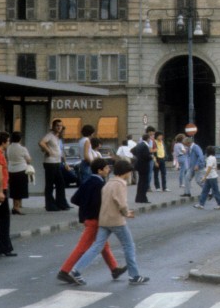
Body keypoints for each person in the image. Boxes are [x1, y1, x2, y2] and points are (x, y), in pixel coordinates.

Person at [70, 159, 149, 286]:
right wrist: (126, 213)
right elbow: (121, 203)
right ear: (126, 172)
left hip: (103, 220)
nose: (130, 174)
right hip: (116, 221)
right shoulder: (120, 184)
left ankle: (77, 270)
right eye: (129, 172)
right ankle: (134, 276)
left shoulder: (108, 183)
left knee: (96, 247)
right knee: (129, 245)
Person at [57, 157, 125, 285]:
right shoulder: (99, 184)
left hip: (88, 217)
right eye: (106, 168)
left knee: (103, 245)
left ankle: (114, 268)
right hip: (95, 219)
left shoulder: (88, 181)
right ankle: (64, 271)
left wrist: (85, 206)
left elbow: (74, 199)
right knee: (83, 247)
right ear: (100, 170)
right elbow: (101, 203)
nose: (108, 169)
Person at [39, 119, 70, 211]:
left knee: (60, 183)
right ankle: (50, 205)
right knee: (50, 184)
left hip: (57, 162)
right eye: (57, 126)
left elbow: (61, 151)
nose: (59, 127)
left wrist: (65, 163)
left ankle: (61, 203)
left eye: (60, 126)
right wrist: (49, 151)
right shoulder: (50, 135)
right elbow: (41, 142)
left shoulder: (58, 137)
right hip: (50, 163)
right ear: (53, 126)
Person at [5, 131, 32, 215]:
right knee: (20, 190)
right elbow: (28, 160)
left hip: (11, 170)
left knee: (14, 189)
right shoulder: (22, 148)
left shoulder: (8, 148)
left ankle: (14, 206)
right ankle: (17, 207)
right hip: (21, 170)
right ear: (20, 139)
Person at [195, 145, 220, 209]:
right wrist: (217, 176)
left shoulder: (210, 158)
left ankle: (219, 204)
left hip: (211, 177)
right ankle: (201, 204)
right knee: (205, 191)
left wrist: (204, 177)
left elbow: (209, 168)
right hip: (212, 177)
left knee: (215, 191)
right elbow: (215, 168)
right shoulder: (214, 157)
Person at [132, 128, 154, 204]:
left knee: (141, 182)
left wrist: (138, 156)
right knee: (144, 182)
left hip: (139, 165)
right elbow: (146, 156)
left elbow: (132, 150)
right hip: (144, 166)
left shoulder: (139, 144)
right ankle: (143, 198)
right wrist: (151, 157)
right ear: (148, 139)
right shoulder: (145, 146)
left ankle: (138, 198)